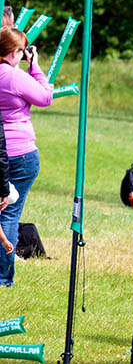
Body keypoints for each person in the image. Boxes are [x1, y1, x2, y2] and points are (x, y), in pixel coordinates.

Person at [0, 26, 52, 285]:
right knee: (9, 214)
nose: (22, 55)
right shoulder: (13, 76)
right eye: (20, 50)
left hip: (0, 151)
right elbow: (45, 97)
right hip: (20, 153)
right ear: (12, 52)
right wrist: (37, 68)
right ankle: (3, 277)